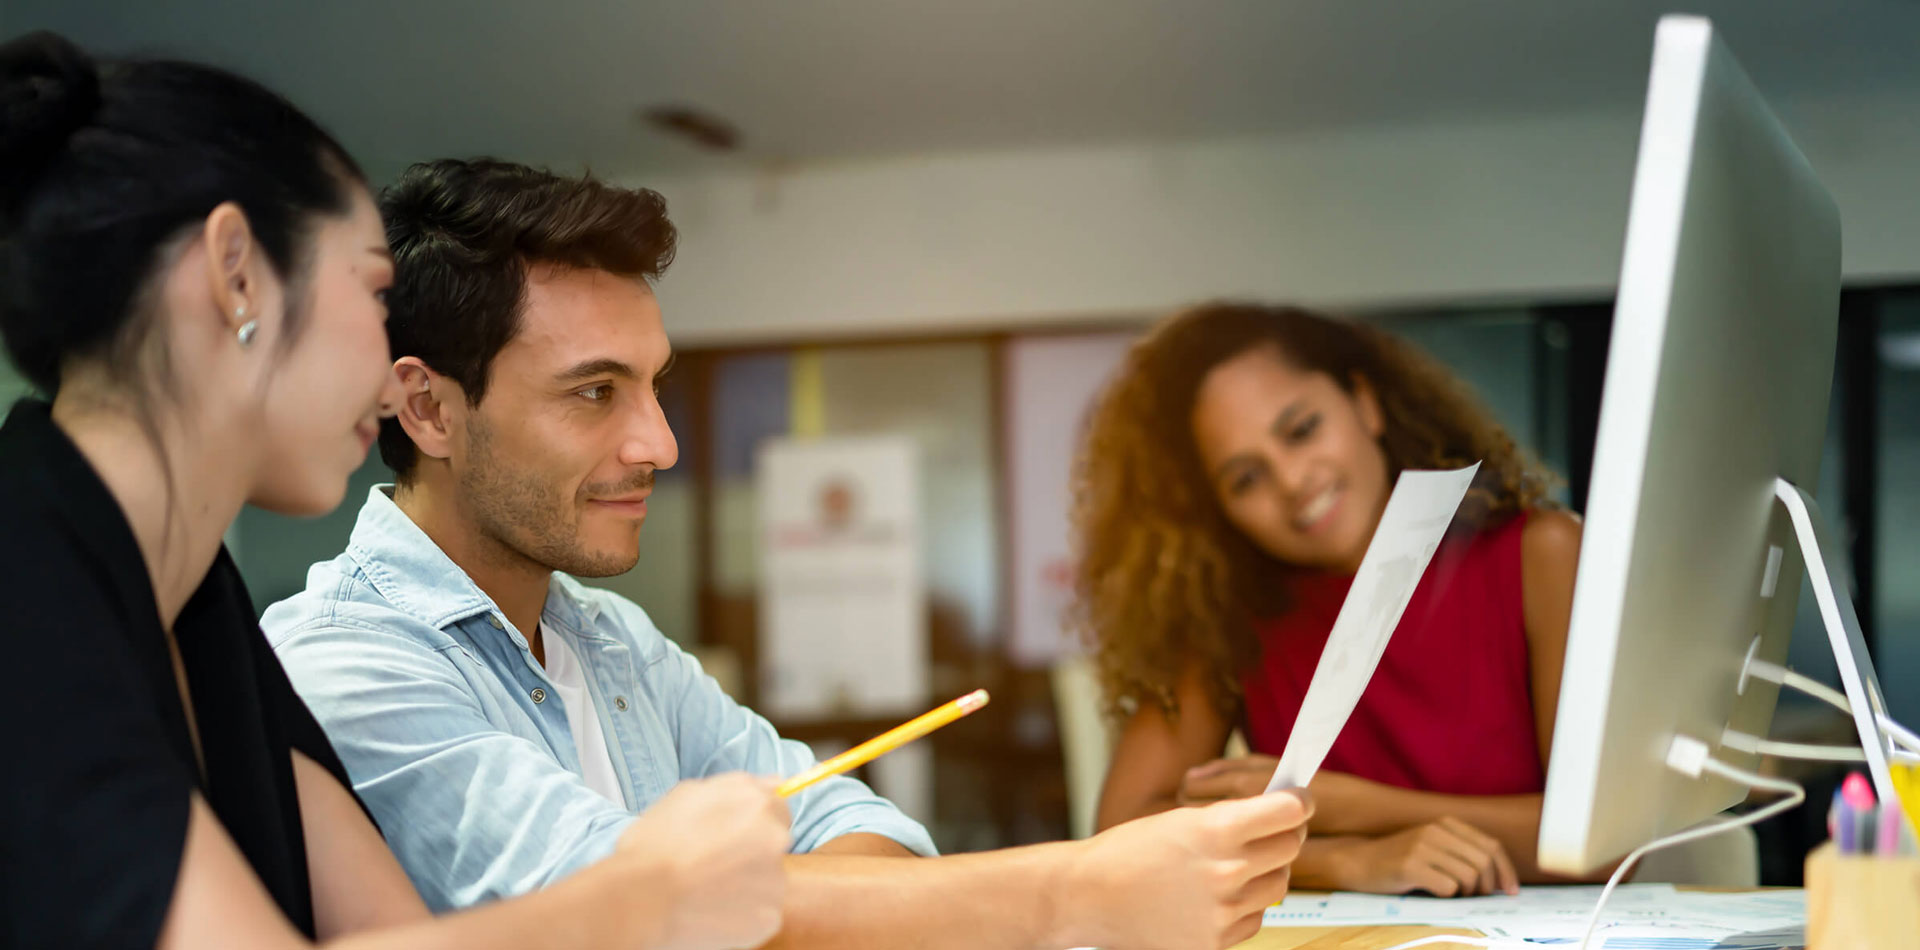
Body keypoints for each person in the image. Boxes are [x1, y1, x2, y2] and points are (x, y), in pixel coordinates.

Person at [264, 157, 1313, 950]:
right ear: (427, 407)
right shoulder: (341, 660)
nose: (660, 444)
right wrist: (1083, 889)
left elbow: (859, 820)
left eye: (655, 384)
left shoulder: (608, 639)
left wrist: (781, 905)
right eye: (595, 392)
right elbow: (621, 905)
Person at [0, 32, 791, 950]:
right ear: (236, 277)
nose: (391, 384)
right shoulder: (26, 582)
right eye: (375, 296)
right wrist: (651, 891)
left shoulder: (196, 604)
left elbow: (376, 929)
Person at [1077, 302, 1591, 897]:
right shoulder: (1230, 616)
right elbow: (1121, 830)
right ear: (1215, 511)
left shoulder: (1541, 555)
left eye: (1301, 430)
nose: (1293, 482)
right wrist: (1349, 862)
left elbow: (1603, 845)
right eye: (1246, 478)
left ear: (1365, 402)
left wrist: (1330, 805)